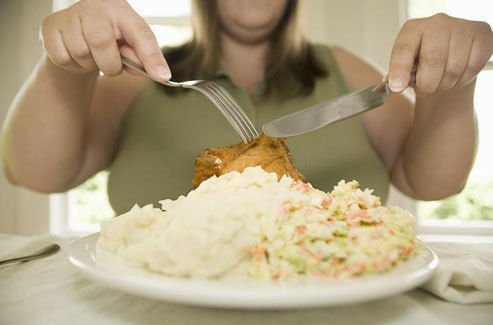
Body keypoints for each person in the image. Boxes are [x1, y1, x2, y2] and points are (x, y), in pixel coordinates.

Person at [1, 0, 492, 215]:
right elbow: (36, 174)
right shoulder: (134, 77)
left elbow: (431, 182)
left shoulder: (348, 71)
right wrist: (64, 68)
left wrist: (453, 78)